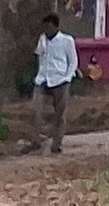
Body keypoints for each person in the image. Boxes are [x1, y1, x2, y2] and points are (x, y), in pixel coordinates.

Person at [30, 14, 80, 154]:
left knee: (60, 114)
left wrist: (68, 77)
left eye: (49, 27)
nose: (46, 30)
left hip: (60, 80)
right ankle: (36, 140)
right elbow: (40, 56)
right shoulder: (42, 39)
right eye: (44, 27)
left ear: (55, 26)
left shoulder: (66, 40)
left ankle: (56, 144)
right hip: (43, 79)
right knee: (36, 110)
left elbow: (73, 61)